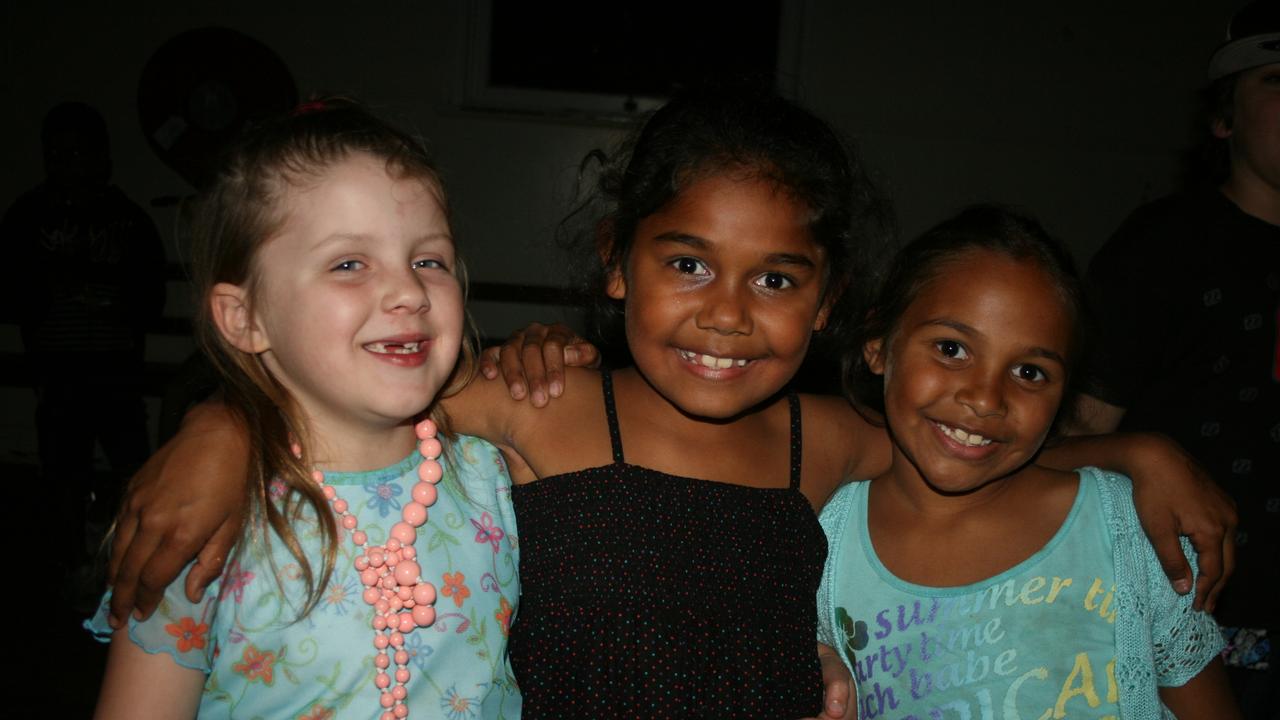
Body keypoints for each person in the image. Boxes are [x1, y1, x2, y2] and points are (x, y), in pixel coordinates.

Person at [102, 88, 1234, 719]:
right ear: (614, 264)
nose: (728, 314)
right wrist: (217, 430)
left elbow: (971, 442)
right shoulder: (537, 401)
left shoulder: (827, 439)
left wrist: (1136, 451)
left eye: (777, 280)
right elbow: (342, 391)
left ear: (830, 299)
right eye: (686, 264)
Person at [87, 99, 522, 719]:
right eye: (349, 264)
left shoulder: (495, 477)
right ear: (247, 318)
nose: (408, 291)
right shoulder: (205, 524)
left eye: (429, 260)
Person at [818, 205, 1238, 719]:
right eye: (951, 348)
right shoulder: (821, 547)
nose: (987, 398)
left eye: (1030, 372)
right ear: (878, 345)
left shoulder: (1129, 530)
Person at [1073, 3, 1278, 714]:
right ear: (1223, 119)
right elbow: (1062, 436)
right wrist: (1145, 452)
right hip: (1198, 627)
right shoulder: (1164, 246)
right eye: (1277, 80)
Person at [1, 102, 166, 568]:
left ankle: (129, 552)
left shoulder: (127, 219)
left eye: (81, 152)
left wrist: (115, 300)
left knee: (131, 462)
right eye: (60, 153)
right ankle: (66, 560)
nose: (71, 163)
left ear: (102, 158)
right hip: (56, 366)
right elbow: (9, 289)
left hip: (115, 365)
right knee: (62, 467)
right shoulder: (27, 216)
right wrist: (49, 292)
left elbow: (149, 296)